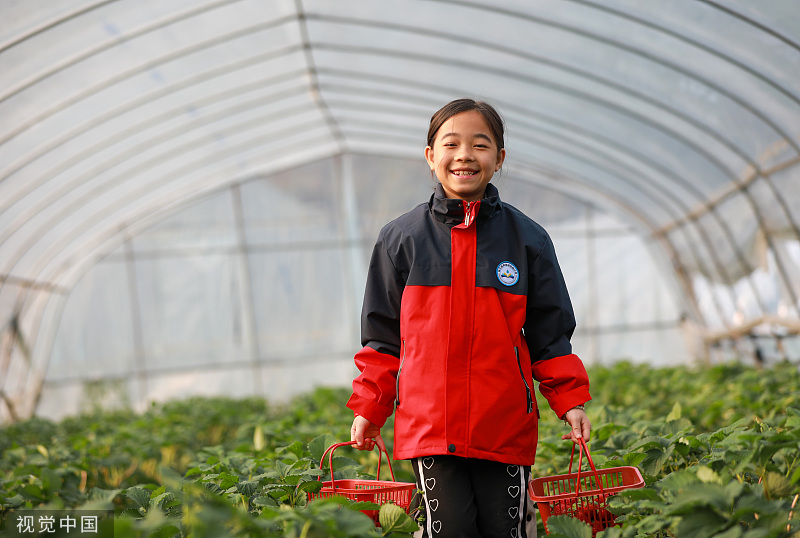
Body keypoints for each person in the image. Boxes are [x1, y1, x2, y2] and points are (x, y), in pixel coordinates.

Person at [346, 98, 591, 538]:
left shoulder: (527, 239)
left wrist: (569, 399)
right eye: (451, 144)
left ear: (498, 159)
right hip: (432, 425)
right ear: (430, 157)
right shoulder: (401, 240)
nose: (464, 155)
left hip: (503, 423)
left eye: (480, 145)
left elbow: (550, 334)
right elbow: (383, 339)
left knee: (506, 530)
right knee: (449, 529)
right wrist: (369, 406)